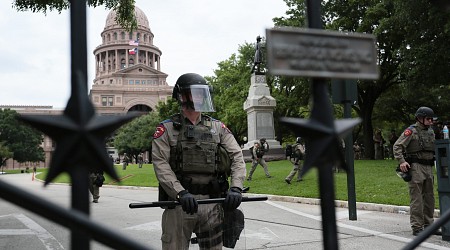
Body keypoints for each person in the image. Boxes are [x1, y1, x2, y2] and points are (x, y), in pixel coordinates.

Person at [152, 73, 246, 249]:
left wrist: (236, 187)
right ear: (182, 96)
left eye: (202, 93)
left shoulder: (217, 127)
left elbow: (237, 156)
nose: (200, 97)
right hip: (180, 205)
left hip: (212, 204)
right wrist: (180, 193)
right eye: (195, 93)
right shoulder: (167, 128)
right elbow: (161, 164)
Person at [393, 106, 441, 236]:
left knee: (429, 197)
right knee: (417, 198)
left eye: (432, 119)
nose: (431, 121)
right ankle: (417, 227)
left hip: (428, 167)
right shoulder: (411, 131)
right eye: (428, 119)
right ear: (420, 118)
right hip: (416, 167)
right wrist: (402, 161)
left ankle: (429, 226)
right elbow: (397, 146)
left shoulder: (430, 131)